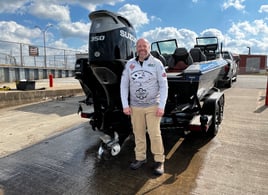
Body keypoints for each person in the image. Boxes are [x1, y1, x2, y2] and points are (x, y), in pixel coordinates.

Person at [120, 38, 168, 175]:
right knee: (138, 133)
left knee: (154, 134)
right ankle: (140, 158)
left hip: (153, 105)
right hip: (135, 107)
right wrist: (125, 105)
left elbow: (164, 85)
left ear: (149, 47)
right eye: (139, 46)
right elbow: (124, 85)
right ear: (136, 48)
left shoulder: (157, 63)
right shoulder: (130, 64)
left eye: (144, 46)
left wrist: (162, 106)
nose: (142, 48)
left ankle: (159, 161)